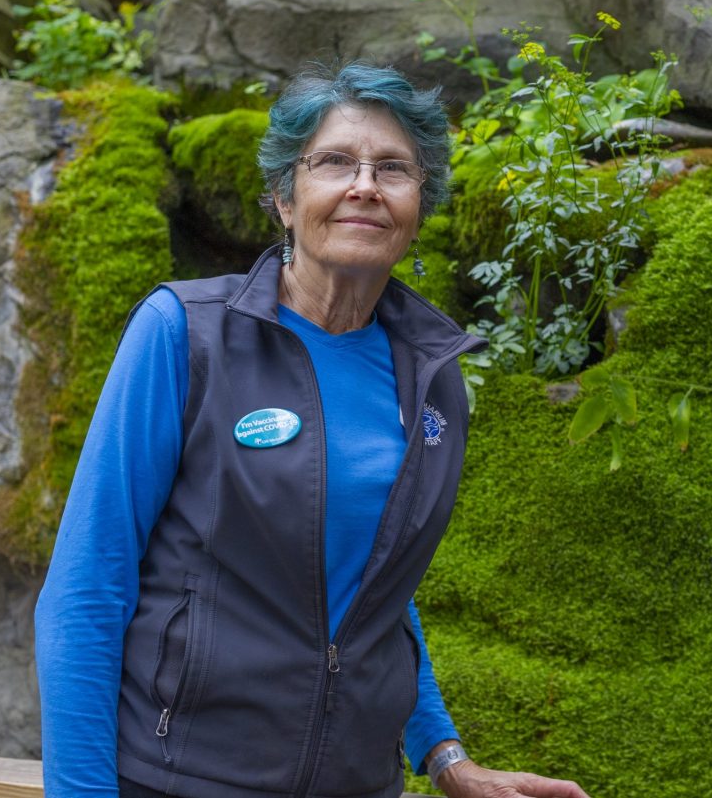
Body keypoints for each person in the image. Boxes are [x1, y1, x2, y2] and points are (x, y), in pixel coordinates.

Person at [34, 62, 591, 798]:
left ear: (418, 205)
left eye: (394, 169)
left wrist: (446, 755)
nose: (365, 184)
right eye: (334, 162)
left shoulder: (432, 375)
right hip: (182, 780)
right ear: (283, 198)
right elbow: (85, 590)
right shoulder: (185, 335)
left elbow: (374, 589)